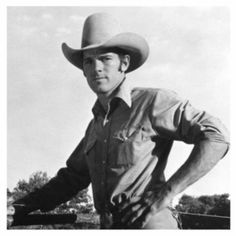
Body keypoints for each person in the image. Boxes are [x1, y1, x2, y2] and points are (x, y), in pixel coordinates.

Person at [9, 12, 229, 229]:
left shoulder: (151, 102)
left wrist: (165, 194)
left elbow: (216, 137)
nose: (96, 68)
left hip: (151, 225)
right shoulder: (95, 126)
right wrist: (18, 207)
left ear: (124, 63)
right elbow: (71, 179)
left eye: (105, 59)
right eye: (89, 61)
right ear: (83, 71)